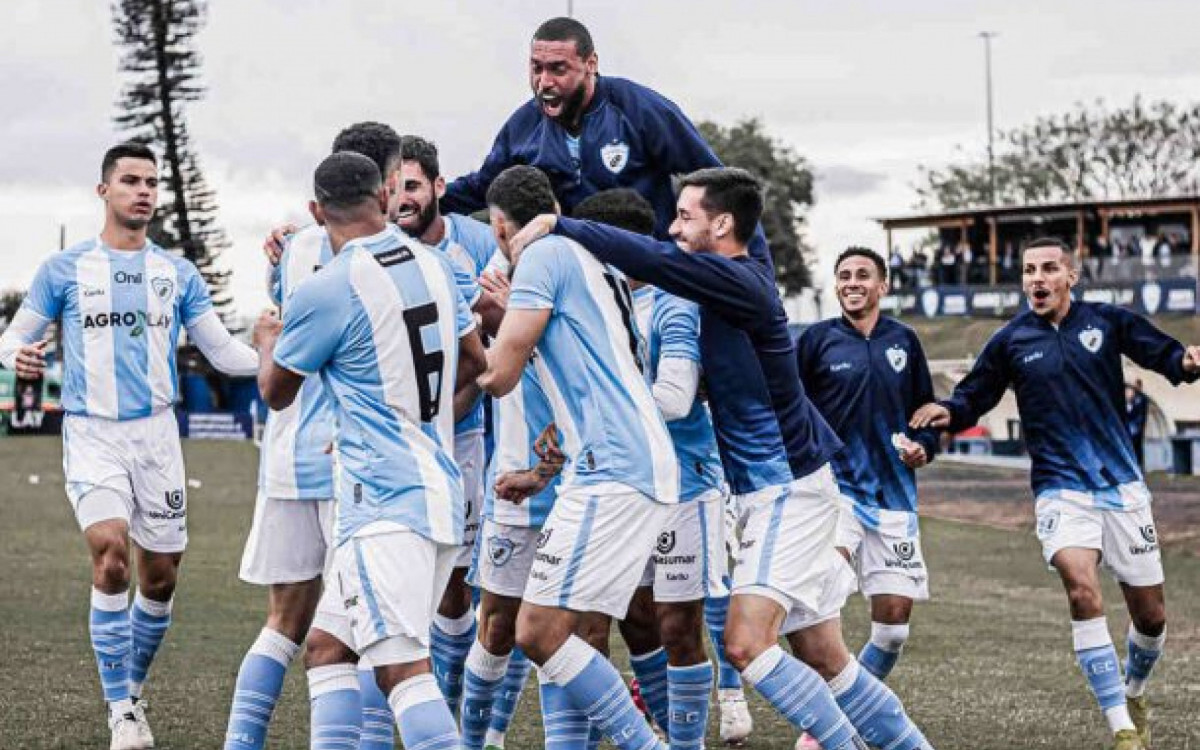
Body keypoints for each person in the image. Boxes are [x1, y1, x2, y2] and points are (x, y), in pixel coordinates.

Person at [508, 167, 933, 750]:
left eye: (685, 216)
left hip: (790, 488)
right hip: (769, 491)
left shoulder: (740, 279)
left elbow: (659, 260)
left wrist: (562, 224)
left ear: (724, 224)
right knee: (824, 654)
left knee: (745, 644)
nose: (674, 228)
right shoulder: (717, 288)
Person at [0, 142, 259, 750]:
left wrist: (287, 360)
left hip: (158, 439)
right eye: (131, 181)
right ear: (104, 192)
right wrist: (21, 355)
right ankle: (121, 711)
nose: (144, 191)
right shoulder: (63, 270)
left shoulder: (177, 273)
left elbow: (221, 351)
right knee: (110, 552)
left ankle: (131, 693)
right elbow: (12, 339)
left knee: (161, 579)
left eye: (152, 182)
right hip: (93, 433)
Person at [911, 237, 1200, 750]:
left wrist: (1188, 362)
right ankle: (1122, 728)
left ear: (1072, 276)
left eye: (1048, 269)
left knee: (1152, 618)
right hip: (1060, 488)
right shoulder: (1010, 341)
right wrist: (949, 413)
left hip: (1122, 486)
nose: (1036, 279)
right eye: (1028, 270)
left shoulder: (1107, 322)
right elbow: (974, 395)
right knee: (1080, 583)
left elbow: (1165, 354)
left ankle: (1133, 691)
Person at [255, 151, 487, 750]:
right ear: (385, 196)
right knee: (328, 648)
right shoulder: (437, 267)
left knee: (401, 669)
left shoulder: (329, 286)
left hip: (382, 501)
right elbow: (477, 362)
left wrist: (265, 343)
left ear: (315, 211)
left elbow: (278, 393)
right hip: (436, 489)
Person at [477, 165, 681, 750]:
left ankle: (647, 744)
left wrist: (470, 329)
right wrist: (543, 473)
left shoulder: (541, 258)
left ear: (499, 226)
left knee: (538, 631)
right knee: (571, 632)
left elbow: (497, 376)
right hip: (617, 463)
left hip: (617, 469)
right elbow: (592, 376)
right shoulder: (583, 256)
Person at [224, 121, 408, 750]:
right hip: (349, 465)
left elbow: (278, 337)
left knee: (286, 622)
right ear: (382, 185)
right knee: (368, 630)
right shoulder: (390, 256)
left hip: (285, 456)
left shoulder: (296, 245)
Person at [792, 247, 939, 750]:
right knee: (819, 610)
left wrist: (926, 446)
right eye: (844, 276)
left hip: (894, 498)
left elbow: (925, 411)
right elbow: (790, 408)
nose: (852, 283)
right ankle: (821, 731)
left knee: (893, 630)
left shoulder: (905, 341)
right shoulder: (815, 341)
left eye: (862, 276)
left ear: (883, 285)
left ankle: (850, 715)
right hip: (833, 497)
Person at [1126, 381, 1149, 471]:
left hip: (1136, 429)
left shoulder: (1141, 399)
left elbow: (1140, 415)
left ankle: (1138, 466)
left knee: (1137, 448)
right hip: (1132, 429)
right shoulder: (1132, 400)